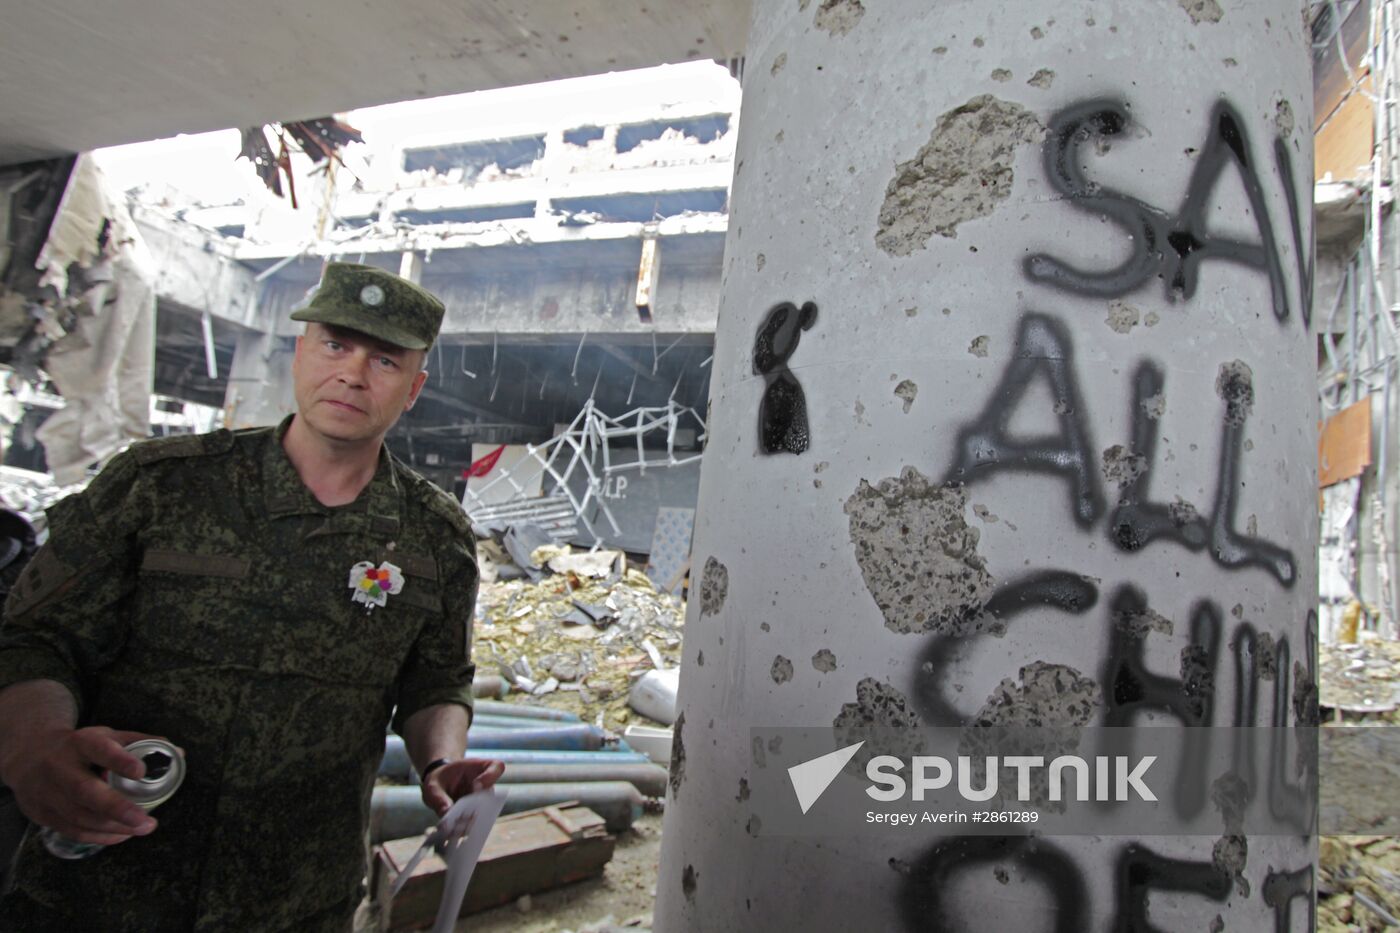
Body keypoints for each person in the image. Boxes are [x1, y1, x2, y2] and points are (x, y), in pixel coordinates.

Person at [0, 262, 503, 931]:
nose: (353, 373)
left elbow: (436, 681)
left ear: (414, 387)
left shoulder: (436, 538)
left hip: (297, 902)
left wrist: (440, 761)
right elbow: (37, 637)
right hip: (100, 889)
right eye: (334, 345)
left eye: (384, 359)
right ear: (299, 350)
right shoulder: (156, 488)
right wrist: (36, 746)